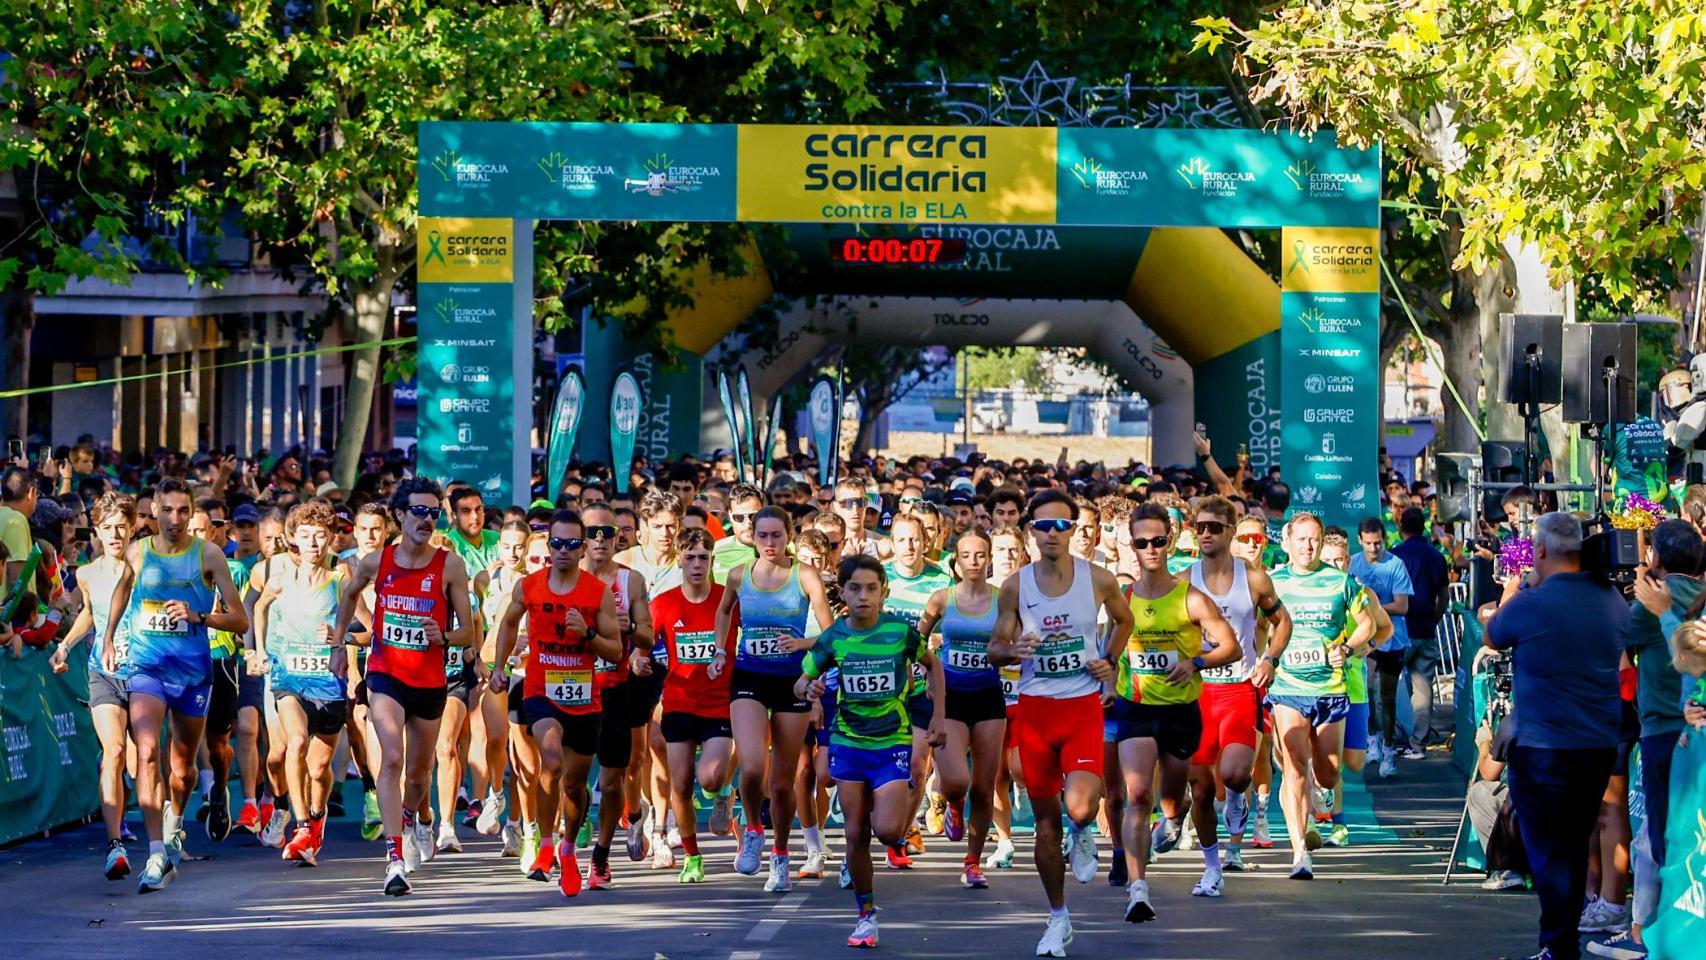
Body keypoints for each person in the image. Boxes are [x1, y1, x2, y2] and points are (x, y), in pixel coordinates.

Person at [988, 489, 1134, 958]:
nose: (1052, 534)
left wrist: (1108, 659)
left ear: (1075, 530)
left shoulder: (1098, 579)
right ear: (1031, 531)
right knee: (1045, 825)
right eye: (1043, 526)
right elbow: (995, 649)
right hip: (1034, 710)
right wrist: (1015, 651)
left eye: (1061, 525)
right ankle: (1057, 917)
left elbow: (1124, 621)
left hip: (1080, 707)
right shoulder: (1015, 585)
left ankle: (1084, 830)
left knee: (1079, 807)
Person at [1487, 511, 1630, 960]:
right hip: (1597, 745)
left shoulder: (1533, 602)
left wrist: (1517, 587)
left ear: (1542, 550)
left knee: (1550, 853)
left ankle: (1558, 944)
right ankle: (1560, 942)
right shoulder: (1611, 600)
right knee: (1571, 842)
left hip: (1544, 747)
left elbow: (1493, 633)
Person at [332, 478, 478, 897]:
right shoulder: (376, 561)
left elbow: (468, 631)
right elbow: (348, 594)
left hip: (430, 680)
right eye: (419, 511)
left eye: (434, 513)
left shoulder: (449, 565)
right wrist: (341, 643)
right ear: (399, 515)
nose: (426, 520)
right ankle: (394, 858)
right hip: (386, 673)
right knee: (391, 758)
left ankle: (414, 817)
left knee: (418, 775)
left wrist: (444, 637)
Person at [796, 553, 947, 949]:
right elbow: (801, 681)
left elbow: (933, 666)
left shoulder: (901, 632)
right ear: (842, 593)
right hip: (848, 741)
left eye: (871, 588)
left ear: (884, 591)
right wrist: (809, 689)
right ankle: (866, 915)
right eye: (855, 588)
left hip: (891, 742)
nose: (863, 596)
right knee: (855, 832)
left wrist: (939, 717)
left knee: (887, 830)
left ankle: (909, 807)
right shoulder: (833, 637)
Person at [106, 478, 249, 893]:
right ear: (153, 512)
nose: (174, 519)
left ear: (191, 513)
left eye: (182, 511)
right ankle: (155, 853)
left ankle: (174, 823)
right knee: (147, 751)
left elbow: (239, 620)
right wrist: (112, 635)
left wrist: (199, 616)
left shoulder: (207, 555)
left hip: (192, 675)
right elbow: (122, 589)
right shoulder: (139, 551)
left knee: (182, 768)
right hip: (147, 667)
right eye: (165, 511)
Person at [1112, 502, 1239, 917]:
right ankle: (1138, 889)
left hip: (1181, 711)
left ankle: (1174, 816)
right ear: (1132, 545)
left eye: (1159, 541)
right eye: (1142, 542)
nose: (1151, 548)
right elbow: (1108, 650)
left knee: (1171, 799)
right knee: (1138, 794)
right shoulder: (1122, 599)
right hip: (1135, 706)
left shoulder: (1191, 598)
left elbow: (1230, 646)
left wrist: (1196, 662)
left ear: (1171, 541)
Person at [489, 509, 622, 899]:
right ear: (550, 546)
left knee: (575, 784)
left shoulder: (596, 593)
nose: (563, 550)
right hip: (541, 690)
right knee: (550, 759)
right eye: (557, 543)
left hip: (584, 697)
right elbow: (508, 623)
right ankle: (545, 843)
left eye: (571, 544)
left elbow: (615, 651)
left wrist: (590, 634)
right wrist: (500, 665)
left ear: (583, 549)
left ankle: (566, 849)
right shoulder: (529, 587)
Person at [714, 506, 833, 891]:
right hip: (750, 676)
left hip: (793, 682)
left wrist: (803, 643)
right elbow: (723, 612)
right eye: (762, 535)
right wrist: (720, 650)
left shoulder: (805, 575)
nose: (768, 543)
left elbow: (832, 635)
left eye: (776, 536)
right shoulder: (738, 575)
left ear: (789, 536)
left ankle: (780, 856)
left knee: (782, 783)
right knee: (751, 767)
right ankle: (752, 828)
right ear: (753, 536)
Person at [1184, 496, 1291, 876]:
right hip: (1197, 693)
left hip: (1240, 688)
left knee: (1235, 774)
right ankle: (1214, 861)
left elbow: (1283, 623)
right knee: (1199, 786)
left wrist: (1269, 660)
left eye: (1215, 527)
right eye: (1200, 527)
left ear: (1231, 531)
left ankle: (1235, 809)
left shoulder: (1255, 578)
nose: (1207, 534)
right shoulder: (1184, 581)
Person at [1266, 511, 1376, 880]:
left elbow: (1369, 624)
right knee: (1294, 766)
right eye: (1301, 539)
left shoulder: (1341, 582)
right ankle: (1299, 851)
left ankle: (1322, 790)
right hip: (1288, 688)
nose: (1308, 546)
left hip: (1329, 689)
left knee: (1328, 773)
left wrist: (1345, 648)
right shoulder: (1272, 582)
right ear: (1288, 541)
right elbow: (1254, 624)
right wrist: (1264, 659)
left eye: (1314, 539)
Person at [252, 501, 355, 867]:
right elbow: (259, 608)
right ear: (292, 538)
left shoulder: (341, 581)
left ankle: (316, 816)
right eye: (306, 536)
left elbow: (370, 629)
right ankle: (299, 826)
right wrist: (260, 651)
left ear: (330, 540)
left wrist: (340, 636)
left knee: (318, 769)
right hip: (287, 678)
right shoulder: (278, 579)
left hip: (327, 686)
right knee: (294, 741)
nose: (313, 543)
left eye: (320, 536)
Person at [48, 492, 138, 880]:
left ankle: (166, 828)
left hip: (145, 670)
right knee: (114, 751)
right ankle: (115, 845)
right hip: (103, 670)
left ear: (133, 527)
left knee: (147, 757)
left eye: (122, 526)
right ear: (97, 532)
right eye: (107, 528)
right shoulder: (86, 574)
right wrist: (65, 646)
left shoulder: (145, 566)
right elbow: (89, 613)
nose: (115, 534)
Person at [916, 528, 1006, 889]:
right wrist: (926, 671)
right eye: (966, 555)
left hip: (988, 695)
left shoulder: (1004, 599)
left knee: (984, 787)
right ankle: (951, 802)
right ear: (956, 560)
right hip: (950, 696)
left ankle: (972, 861)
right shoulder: (942, 599)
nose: (973, 562)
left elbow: (1013, 640)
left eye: (980, 555)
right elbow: (917, 639)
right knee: (957, 781)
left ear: (989, 559)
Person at [651, 527, 736, 883]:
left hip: (719, 704)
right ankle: (692, 856)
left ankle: (724, 792)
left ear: (713, 560)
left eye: (704, 557)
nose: (697, 565)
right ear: (679, 561)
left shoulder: (727, 600)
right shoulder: (664, 603)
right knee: (681, 785)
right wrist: (642, 660)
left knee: (711, 777)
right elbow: (644, 647)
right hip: (679, 703)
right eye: (690, 558)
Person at [580, 501, 656, 885]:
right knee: (566, 778)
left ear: (618, 537)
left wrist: (629, 629)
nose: (599, 540)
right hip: (571, 690)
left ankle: (601, 854)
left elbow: (649, 636)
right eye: (591, 533)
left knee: (612, 782)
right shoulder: (563, 577)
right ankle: (560, 841)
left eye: (607, 533)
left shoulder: (631, 580)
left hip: (614, 690)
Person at [1350, 516, 1412, 781]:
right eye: (1369, 543)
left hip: (1393, 638)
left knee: (1387, 697)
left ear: (1384, 540)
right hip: (1367, 638)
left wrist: (1371, 608)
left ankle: (1389, 751)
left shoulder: (1395, 565)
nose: (1374, 548)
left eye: (1378, 543)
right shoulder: (1353, 563)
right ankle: (1372, 739)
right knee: (1366, 690)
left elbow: (1402, 606)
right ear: (1360, 541)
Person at [1389, 506, 1450, 761]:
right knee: (1423, 691)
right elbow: (1444, 596)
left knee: (1387, 688)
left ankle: (1387, 743)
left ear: (1401, 527)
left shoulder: (1394, 556)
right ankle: (1418, 745)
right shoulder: (1436, 556)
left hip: (1398, 631)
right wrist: (1433, 620)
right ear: (1423, 526)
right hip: (1425, 629)